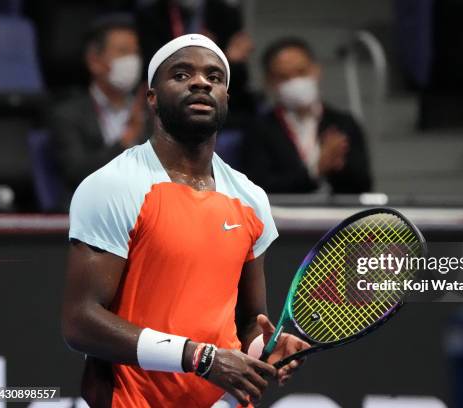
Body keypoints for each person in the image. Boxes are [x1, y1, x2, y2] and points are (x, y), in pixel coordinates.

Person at [61, 34, 308, 407]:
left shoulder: (251, 199)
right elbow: (80, 322)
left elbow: (247, 323)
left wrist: (266, 349)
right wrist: (200, 357)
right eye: (181, 74)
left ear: (226, 96)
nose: (200, 82)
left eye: (214, 77)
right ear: (152, 97)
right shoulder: (113, 186)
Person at [243, 37, 373, 194]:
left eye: (301, 72)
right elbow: (258, 188)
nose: (295, 82)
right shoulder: (260, 129)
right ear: (269, 81)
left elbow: (364, 185)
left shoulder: (343, 124)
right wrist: (315, 171)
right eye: (284, 77)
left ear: (316, 70)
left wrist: (339, 166)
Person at [49, 14, 150, 196]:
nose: (132, 61)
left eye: (135, 52)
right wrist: (125, 142)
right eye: (123, 52)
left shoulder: (150, 112)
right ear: (94, 61)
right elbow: (75, 172)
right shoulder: (67, 115)